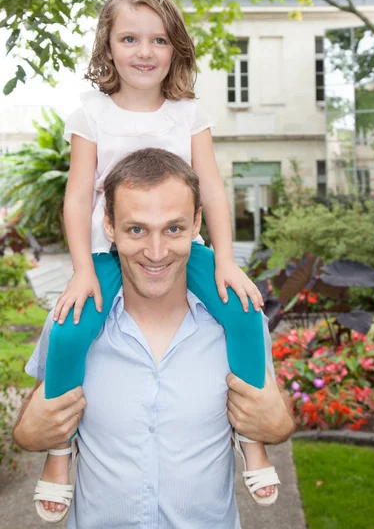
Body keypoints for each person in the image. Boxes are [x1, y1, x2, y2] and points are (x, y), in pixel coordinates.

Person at [36, 0, 277, 521]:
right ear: (108, 46)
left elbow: (212, 187)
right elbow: (78, 197)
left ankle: (251, 440)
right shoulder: (90, 115)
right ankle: (58, 454)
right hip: (109, 254)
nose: (144, 52)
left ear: (175, 49)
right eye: (129, 38)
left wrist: (225, 260)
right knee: (70, 331)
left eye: (158, 40)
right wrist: (81, 271)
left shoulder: (188, 113)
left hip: (181, 249)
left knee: (242, 315)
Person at [15, 149, 293, 528]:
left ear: (197, 223)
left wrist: (279, 426)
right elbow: (35, 414)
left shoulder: (239, 320)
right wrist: (28, 434)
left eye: (174, 229)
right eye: (137, 229)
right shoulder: (73, 317)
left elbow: (271, 406)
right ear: (109, 227)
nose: (157, 252)